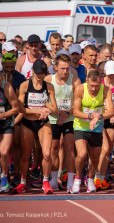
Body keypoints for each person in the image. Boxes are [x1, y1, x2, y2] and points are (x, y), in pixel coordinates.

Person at [13, 59, 58, 194]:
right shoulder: (25, 86)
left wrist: (48, 110)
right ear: (33, 71)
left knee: (47, 154)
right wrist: (38, 111)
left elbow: (55, 108)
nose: (40, 76)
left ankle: (45, 182)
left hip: (43, 123)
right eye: (38, 73)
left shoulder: (49, 86)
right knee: (26, 155)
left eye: (42, 73)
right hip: (27, 122)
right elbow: (20, 108)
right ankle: (22, 183)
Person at [71, 70, 114, 193]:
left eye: (97, 86)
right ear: (87, 82)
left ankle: (90, 178)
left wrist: (98, 117)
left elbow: (111, 111)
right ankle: (77, 179)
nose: (94, 89)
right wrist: (91, 116)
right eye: (91, 86)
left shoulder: (106, 90)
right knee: (82, 154)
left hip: (97, 127)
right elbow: (76, 112)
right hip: (81, 126)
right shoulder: (80, 89)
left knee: (95, 158)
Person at [44, 54, 81, 193]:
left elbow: (79, 102)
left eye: (67, 68)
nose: (65, 72)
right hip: (53, 118)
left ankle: (70, 181)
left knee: (69, 148)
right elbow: (41, 98)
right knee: (53, 148)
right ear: (55, 67)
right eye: (62, 69)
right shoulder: (48, 80)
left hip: (69, 118)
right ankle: (53, 179)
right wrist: (55, 110)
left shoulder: (74, 81)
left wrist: (67, 113)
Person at [94, 60, 114, 190]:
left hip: (112, 118)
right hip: (101, 118)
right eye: (110, 74)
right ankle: (95, 176)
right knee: (103, 148)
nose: (112, 76)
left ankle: (102, 178)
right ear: (105, 72)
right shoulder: (100, 83)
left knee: (107, 151)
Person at [0, 70, 19, 192]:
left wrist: (2, 115)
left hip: (6, 122)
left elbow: (16, 108)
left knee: (4, 152)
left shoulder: (6, 87)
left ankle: (4, 178)